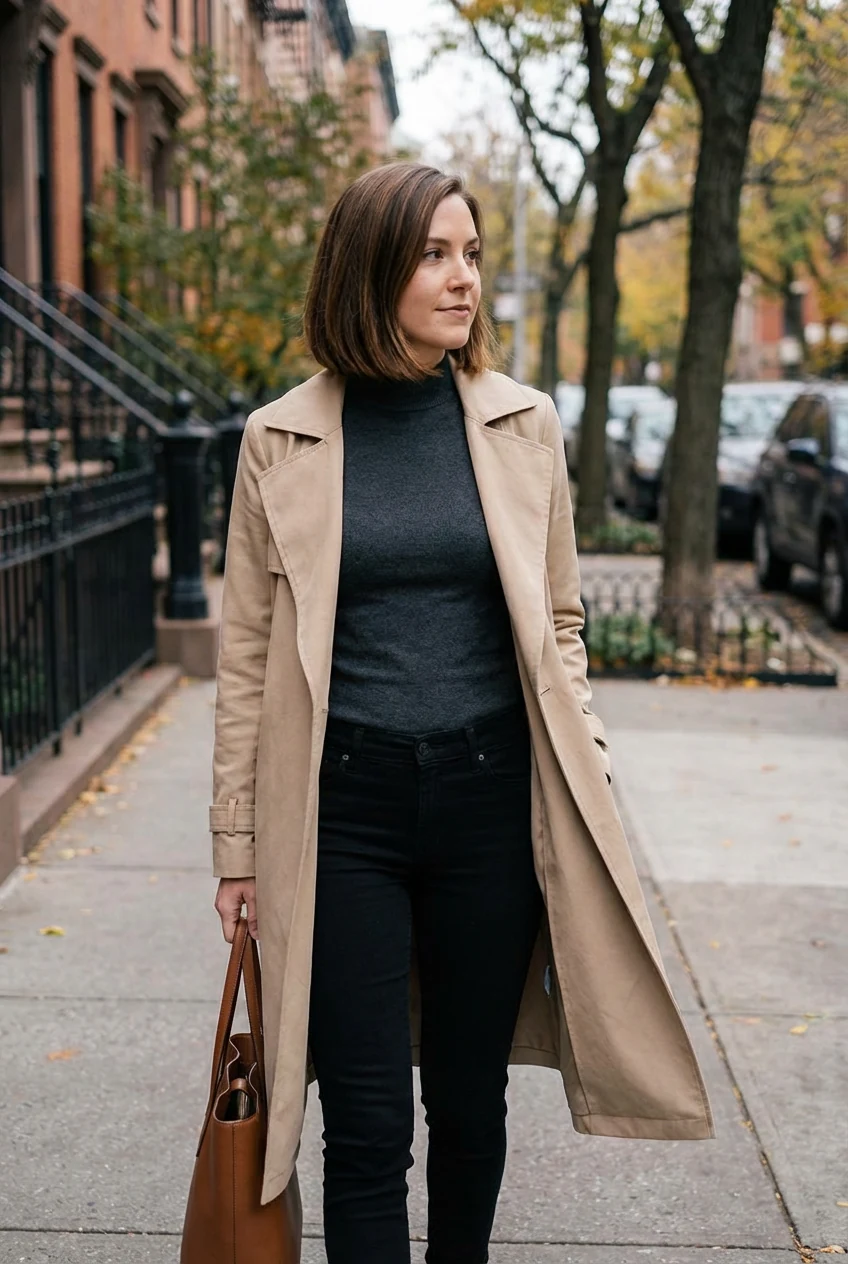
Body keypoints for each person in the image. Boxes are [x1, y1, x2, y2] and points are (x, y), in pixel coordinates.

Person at [210, 162, 714, 1264]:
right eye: (434, 255)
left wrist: (581, 758)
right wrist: (238, 846)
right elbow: (244, 658)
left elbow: (562, 621)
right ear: (368, 270)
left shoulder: (520, 425)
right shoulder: (279, 440)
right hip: (341, 811)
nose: (462, 280)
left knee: (471, 1106)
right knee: (364, 1121)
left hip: (488, 801)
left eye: (471, 255)